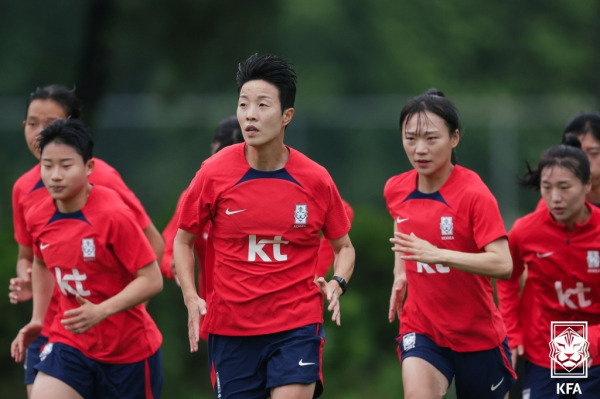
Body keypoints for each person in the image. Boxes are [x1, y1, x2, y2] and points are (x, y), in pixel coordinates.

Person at [173, 53, 355, 399]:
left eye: (262, 105)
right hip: (231, 330)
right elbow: (183, 241)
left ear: (287, 116)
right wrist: (190, 296)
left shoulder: (315, 180)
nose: (250, 115)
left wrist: (337, 282)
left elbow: (344, 247)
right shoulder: (213, 173)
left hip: (296, 326)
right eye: (243, 104)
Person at [8, 84, 164, 397]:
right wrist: (38, 315)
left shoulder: (109, 202)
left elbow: (152, 270)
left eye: (65, 166)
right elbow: (37, 259)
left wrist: (107, 310)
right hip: (65, 336)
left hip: (125, 347)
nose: (54, 175)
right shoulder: (31, 202)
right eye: (32, 123)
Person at [384, 88, 516, 399]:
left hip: (477, 335)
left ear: (454, 138)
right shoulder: (395, 188)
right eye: (410, 138)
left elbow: (504, 264)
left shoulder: (474, 193)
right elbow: (401, 221)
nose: (420, 149)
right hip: (422, 327)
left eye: (431, 138)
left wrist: (437, 254)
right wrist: (400, 272)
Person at [497, 136, 600, 398]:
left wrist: (592, 341)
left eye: (565, 187)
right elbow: (507, 276)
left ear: (588, 185)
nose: (556, 198)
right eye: (546, 187)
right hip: (543, 350)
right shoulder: (525, 231)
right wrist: (512, 331)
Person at [160, 115, 243, 340]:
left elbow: (339, 217)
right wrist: (176, 268)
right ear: (213, 151)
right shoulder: (195, 198)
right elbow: (170, 248)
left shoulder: (270, 191)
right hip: (218, 321)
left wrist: (315, 273)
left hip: (273, 318)